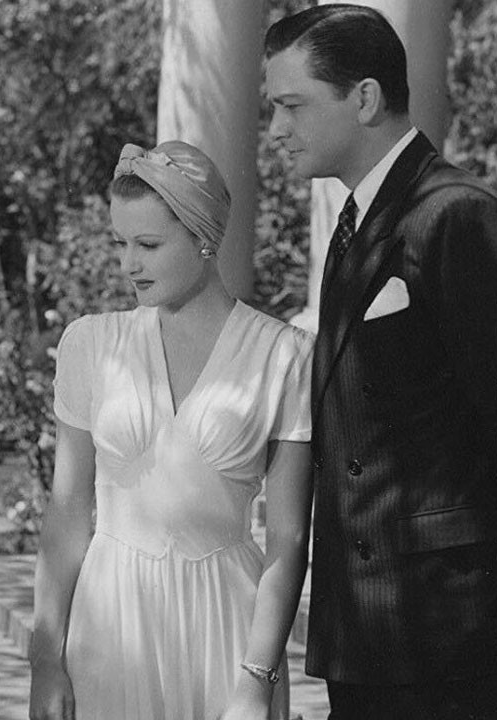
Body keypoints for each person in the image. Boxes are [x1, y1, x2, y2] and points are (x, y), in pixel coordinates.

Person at [262, 6, 497, 719]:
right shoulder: (357, 222)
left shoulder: (457, 218)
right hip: (364, 630)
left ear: (365, 97)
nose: (277, 131)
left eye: (291, 105)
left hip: (451, 630)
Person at [29, 140, 314, 720]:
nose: (129, 264)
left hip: (229, 631)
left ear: (203, 239)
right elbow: (66, 513)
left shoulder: (283, 355)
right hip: (110, 629)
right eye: (121, 244)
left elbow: (289, 540)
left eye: (149, 245)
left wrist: (256, 680)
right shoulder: (91, 344)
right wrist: (44, 660)